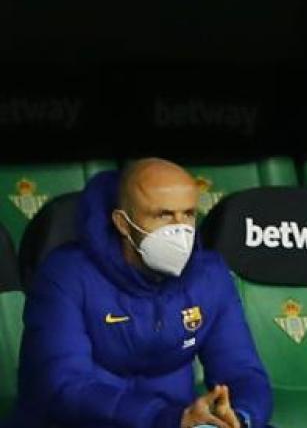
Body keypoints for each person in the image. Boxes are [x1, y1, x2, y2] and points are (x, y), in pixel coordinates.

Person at [9, 158, 272, 428]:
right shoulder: (65, 275)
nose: (180, 229)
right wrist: (170, 419)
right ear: (123, 223)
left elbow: (242, 372)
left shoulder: (210, 274)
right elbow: (63, 387)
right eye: (163, 215)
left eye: (189, 213)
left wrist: (239, 417)